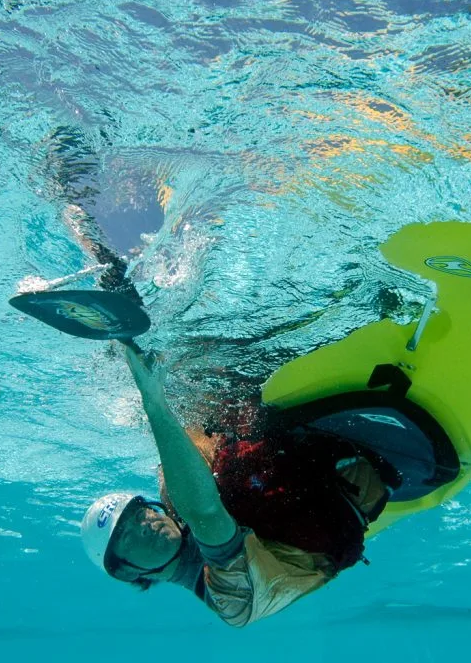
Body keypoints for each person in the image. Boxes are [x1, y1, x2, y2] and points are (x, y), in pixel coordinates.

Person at [66, 203, 396, 627]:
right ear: (129, 571)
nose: (144, 523)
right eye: (126, 536)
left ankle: (114, 258)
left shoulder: (173, 496)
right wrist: (152, 401)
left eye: (138, 512)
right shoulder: (232, 604)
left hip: (297, 442)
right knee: (224, 447)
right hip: (331, 487)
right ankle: (370, 299)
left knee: (212, 395)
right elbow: (207, 516)